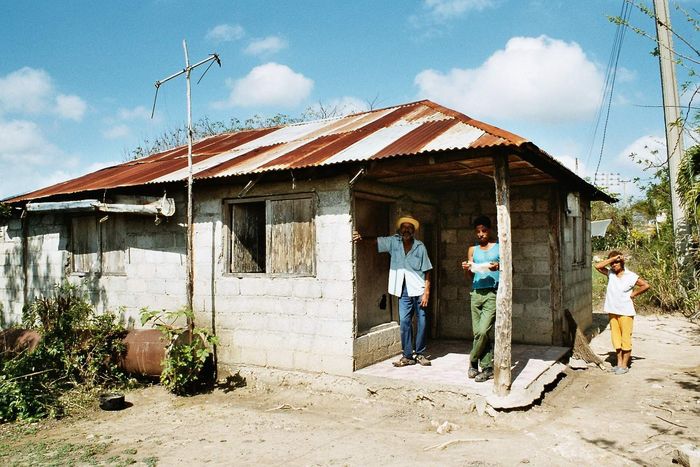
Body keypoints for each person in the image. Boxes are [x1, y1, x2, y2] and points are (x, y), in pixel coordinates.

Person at [353, 214, 433, 367]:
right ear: (400, 229)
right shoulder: (393, 242)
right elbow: (376, 241)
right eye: (404, 227)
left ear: (413, 231)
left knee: (422, 321)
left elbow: (428, 269)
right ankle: (408, 355)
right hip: (403, 290)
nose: (407, 230)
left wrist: (427, 292)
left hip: (419, 289)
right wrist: (361, 238)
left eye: (410, 228)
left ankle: (421, 353)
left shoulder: (420, 246)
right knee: (404, 321)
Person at [595, 251, 650, 375]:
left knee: (625, 339)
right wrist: (613, 258)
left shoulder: (631, 276)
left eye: (616, 262)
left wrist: (634, 294)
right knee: (616, 339)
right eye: (612, 263)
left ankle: (625, 365)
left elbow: (646, 285)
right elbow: (597, 266)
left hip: (625, 312)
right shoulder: (610, 274)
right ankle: (619, 363)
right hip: (612, 310)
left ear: (622, 262)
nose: (614, 265)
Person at [461, 215, 499, 382]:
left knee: (483, 331)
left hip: (492, 293)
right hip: (476, 293)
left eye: (484, 231)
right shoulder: (472, 250)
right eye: (478, 232)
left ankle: (472, 360)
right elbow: (470, 275)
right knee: (478, 333)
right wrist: (467, 268)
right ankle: (487, 368)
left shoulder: (498, 247)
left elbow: (510, 269)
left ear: (489, 230)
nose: (481, 234)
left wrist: (498, 266)